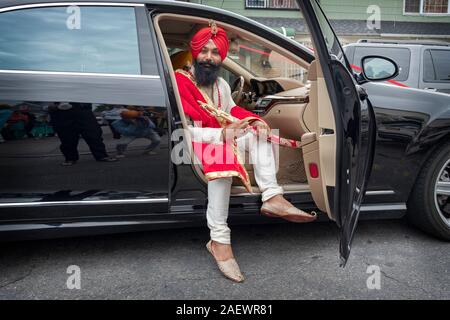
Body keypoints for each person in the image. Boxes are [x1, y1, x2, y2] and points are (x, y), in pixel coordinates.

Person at [175, 22, 316, 283]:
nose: (209, 57)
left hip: (221, 135)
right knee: (222, 160)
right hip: (192, 139)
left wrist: (254, 121)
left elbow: (229, 111)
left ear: (222, 57)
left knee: (259, 134)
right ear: (194, 52)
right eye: (204, 50)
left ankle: (273, 197)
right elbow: (183, 128)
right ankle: (218, 240)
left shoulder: (221, 85)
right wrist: (220, 135)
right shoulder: (181, 82)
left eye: (215, 52)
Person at [49, 102, 117, 166]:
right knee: (66, 137)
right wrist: (52, 106)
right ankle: (70, 158)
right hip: (60, 113)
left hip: (82, 109)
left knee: (94, 134)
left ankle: (102, 155)